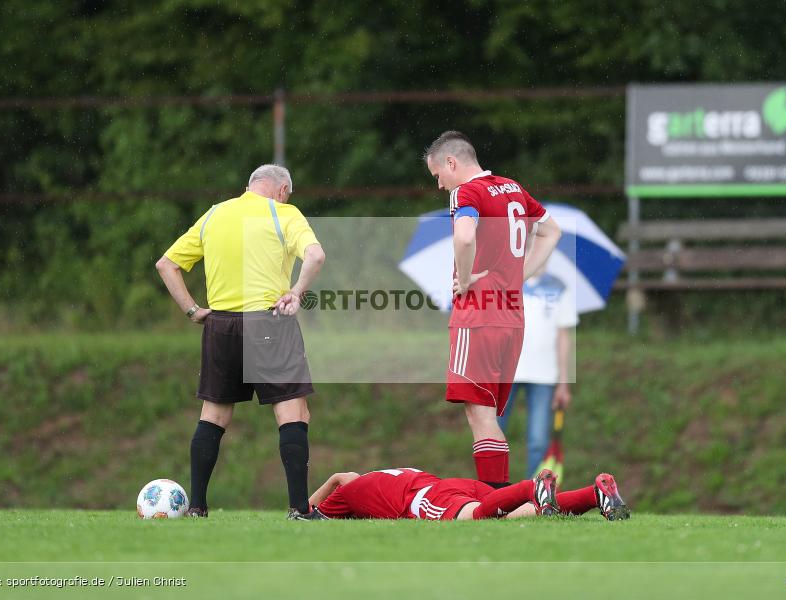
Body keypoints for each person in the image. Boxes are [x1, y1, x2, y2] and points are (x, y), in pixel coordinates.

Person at [156, 164, 327, 520]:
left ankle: (197, 507)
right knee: (293, 413)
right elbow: (316, 255)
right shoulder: (284, 213)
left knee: (214, 415)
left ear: (250, 186)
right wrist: (296, 292)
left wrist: (192, 310)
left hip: (220, 325)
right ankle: (299, 509)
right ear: (282, 191)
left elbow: (166, 264)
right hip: (270, 321)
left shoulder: (215, 214)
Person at [424, 131, 561, 488]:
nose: (440, 186)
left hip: (478, 315)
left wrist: (466, 279)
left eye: (438, 175)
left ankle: (495, 502)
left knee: (480, 415)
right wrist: (520, 275)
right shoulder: (513, 188)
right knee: (487, 415)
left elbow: (465, 236)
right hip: (512, 317)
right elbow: (551, 231)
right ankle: (501, 498)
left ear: (452, 163)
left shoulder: (465, 192)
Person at [309, 467, 630, 521]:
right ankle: (595, 494)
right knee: (522, 515)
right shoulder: (382, 475)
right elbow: (349, 475)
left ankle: (530, 487)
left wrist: (330, 481)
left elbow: (308, 511)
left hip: (427, 499)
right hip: (454, 485)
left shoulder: (349, 493)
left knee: (473, 519)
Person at [498, 265, 578, 480]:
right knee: (493, 436)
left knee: (538, 441)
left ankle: (533, 497)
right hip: (503, 373)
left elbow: (563, 336)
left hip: (544, 376)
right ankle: (492, 490)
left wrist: (563, 383)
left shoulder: (559, 287)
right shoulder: (504, 282)